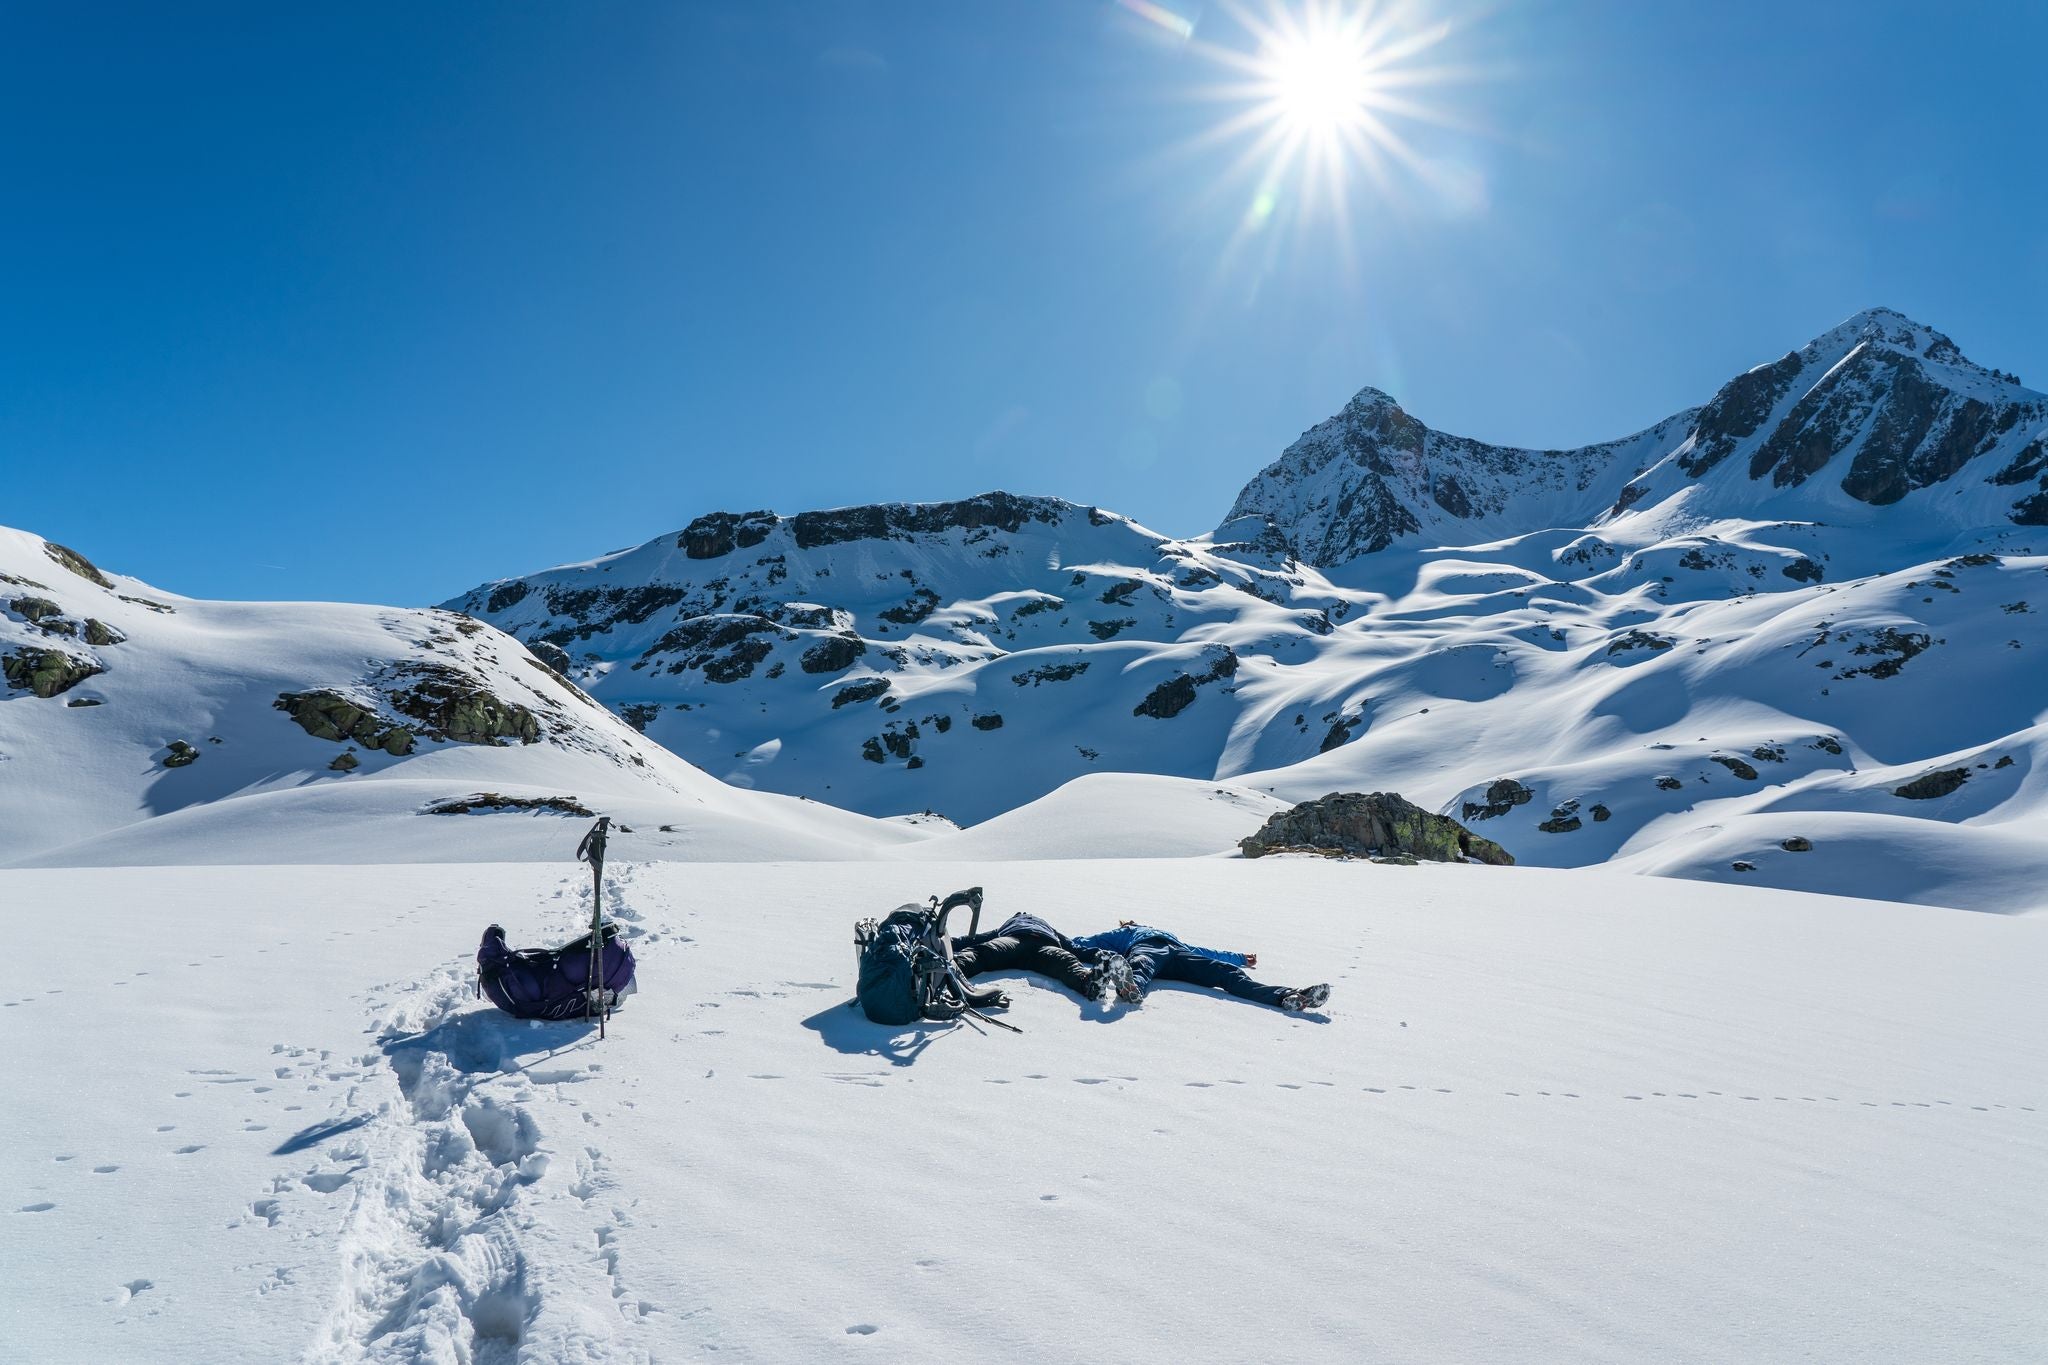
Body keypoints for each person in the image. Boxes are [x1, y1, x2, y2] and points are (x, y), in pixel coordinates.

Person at [1071, 921, 1330, 1013]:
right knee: (1142, 964)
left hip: (1179, 953)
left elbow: (1206, 952)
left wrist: (1239, 958)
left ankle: (1287, 996)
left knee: (1225, 972)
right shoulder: (1126, 933)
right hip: (1149, 948)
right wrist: (1061, 942)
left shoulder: (1171, 935)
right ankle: (1131, 989)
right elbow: (1086, 943)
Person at [948, 912, 1110, 1005]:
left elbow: (1074, 948)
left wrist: (1099, 955)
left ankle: (1089, 984)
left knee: (1066, 960)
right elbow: (974, 940)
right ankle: (947, 970)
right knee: (984, 951)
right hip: (1014, 940)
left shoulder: (1050, 929)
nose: (1028, 915)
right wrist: (944, 942)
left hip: (1044, 946)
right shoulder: (1009, 925)